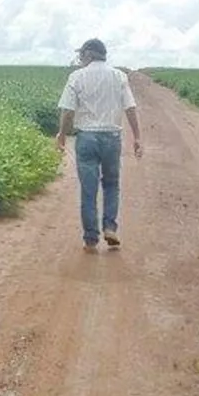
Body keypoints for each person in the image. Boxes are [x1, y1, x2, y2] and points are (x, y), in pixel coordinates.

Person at [56, 38, 142, 253]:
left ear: (88, 55)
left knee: (88, 189)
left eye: (82, 55)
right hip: (112, 137)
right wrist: (137, 136)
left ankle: (91, 238)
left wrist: (62, 135)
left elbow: (68, 111)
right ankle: (110, 228)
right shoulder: (119, 76)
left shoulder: (76, 77)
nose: (80, 59)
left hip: (86, 138)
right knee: (112, 184)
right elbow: (130, 108)